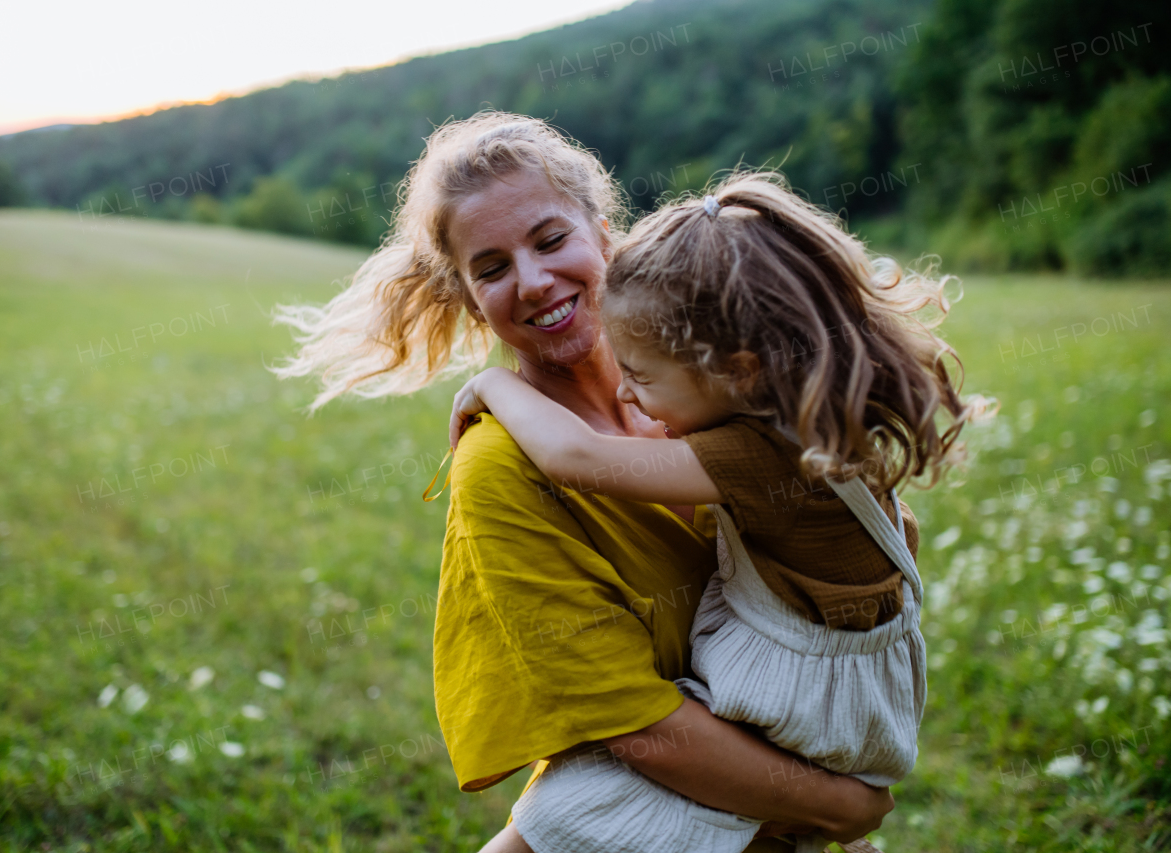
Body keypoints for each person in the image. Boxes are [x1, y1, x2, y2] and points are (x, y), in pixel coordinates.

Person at [274, 112, 894, 851]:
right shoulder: (501, 466)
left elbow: (872, 546)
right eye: (493, 267)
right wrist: (839, 806)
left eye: (549, 239)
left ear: (603, 232)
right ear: (472, 299)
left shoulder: (717, 387)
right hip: (667, 822)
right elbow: (638, 729)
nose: (533, 282)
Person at [449, 173, 991, 852]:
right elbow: (899, 536)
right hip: (848, 704)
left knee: (566, 812)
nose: (630, 393)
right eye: (492, 266)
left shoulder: (750, 454)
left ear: (739, 370)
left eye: (641, 376)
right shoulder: (808, 433)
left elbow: (575, 457)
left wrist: (489, 380)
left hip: (798, 702)